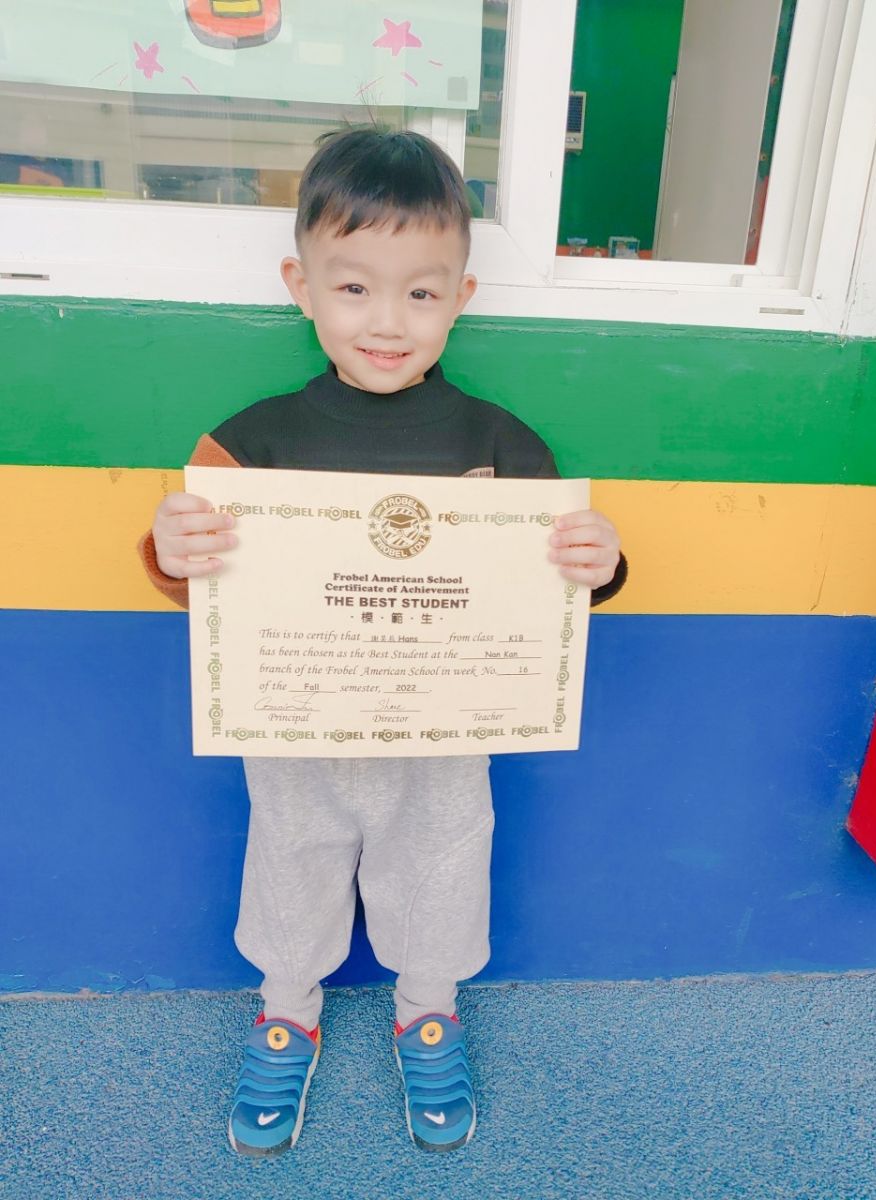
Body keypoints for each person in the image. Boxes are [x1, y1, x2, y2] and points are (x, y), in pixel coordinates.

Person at [139, 128, 627, 1156]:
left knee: (443, 868)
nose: (389, 321)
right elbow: (197, 585)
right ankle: (287, 1011)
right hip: (296, 733)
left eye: (421, 292)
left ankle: (428, 1013)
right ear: (302, 287)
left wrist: (599, 563)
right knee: (291, 864)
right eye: (354, 288)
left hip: (444, 744)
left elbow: (553, 594)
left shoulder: (501, 445)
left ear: (461, 297)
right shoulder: (251, 443)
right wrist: (172, 550)